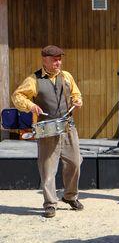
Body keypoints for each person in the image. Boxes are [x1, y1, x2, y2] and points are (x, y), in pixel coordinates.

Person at [11, 45, 83, 218]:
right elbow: (17, 96)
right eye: (54, 59)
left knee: (75, 162)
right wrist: (30, 105)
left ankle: (70, 196)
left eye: (59, 59)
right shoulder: (33, 79)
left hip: (67, 126)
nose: (58, 62)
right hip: (46, 129)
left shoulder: (66, 76)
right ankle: (50, 203)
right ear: (44, 59)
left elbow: (76, 94)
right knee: (48, 168)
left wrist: (78, 100)